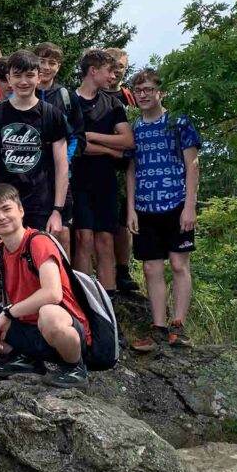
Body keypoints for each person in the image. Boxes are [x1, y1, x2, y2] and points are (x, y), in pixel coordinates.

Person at [0, 184, 92, 388]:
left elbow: (52, 293)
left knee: (49, 314)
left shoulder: (38, 242)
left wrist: (8, 313)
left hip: (60, 328)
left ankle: (74, 366)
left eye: (6, 209)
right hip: (23, 326)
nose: (1, 217)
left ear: (21, 211)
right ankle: (21, 358)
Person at [126, 68, 201, 352]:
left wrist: (190, 206)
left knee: (179, 264)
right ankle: (158, 327)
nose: (143, 94)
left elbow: (193, 165)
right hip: (145, 206)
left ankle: (179, 325)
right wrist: (131, 208)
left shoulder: (178, 123)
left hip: (176, 203)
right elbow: (131, 170)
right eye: (138, 90)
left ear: (161, 92)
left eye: (148, 89)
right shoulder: (134, 129)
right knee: (150, 267)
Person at [0, 51, 69, 234]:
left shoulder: (52, 115)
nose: (23, 81)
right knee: (6, 260)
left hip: (41, 204)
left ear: (39, 77)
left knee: (39, 259)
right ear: (8, 79)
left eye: (29, 75)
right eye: (17, 75)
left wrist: (57, 211)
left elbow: (61, 165)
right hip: (3, 205)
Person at [72, 48, 134, 294]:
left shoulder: (113, 103)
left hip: (105, 180)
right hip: (77, 180)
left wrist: (90, 136)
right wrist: (110, 149)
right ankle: (86, 298)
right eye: (109, 71)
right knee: (83, 239)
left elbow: (128, 141)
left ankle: (109, 299)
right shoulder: (69, 101)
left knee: (105, 240)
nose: (113, 76)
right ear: (93, 71)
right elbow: (75, 145)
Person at [33, 42, 86, 257]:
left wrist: (64, 160)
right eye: (41, 61)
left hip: (61, 175)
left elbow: (78, 136)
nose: (46, 67)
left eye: (52, 63)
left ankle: (64, 282)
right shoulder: (24, 90)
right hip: (31, 174)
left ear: (59, 66)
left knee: (62, 231)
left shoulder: (67, 97)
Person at [103, 48, 140, 294]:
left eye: (122, 67)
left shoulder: (130, 98)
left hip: (127, 164)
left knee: (124, 221)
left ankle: (123, 269)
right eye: (113, 65)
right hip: (99, 163)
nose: (117, 71)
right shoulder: (91, 93)